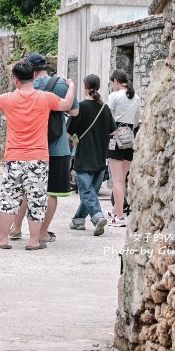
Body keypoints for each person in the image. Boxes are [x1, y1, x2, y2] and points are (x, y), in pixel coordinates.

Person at [0, 62, 75, 250]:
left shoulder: (8, 99)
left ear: (16, 80)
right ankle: (34, 241)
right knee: (37, 199)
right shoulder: (46, 98)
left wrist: (11, 94)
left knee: (9, 198)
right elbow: (67, 104)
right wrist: (72, 86)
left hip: (14, 156)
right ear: (34, 77)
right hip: (38, 157)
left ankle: (3, 239)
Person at [10, 54, 79, 244]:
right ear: (45, 67)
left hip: (29, 146)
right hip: (56, 148)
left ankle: (15, 229)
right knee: (51, 192)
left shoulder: (24, 87)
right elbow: (74, 111)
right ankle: (41, 233)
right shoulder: (61, 85)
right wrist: (71, 87)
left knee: (25, 189)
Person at [66, 75, 117, 235]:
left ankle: (97, 216)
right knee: (91, 193)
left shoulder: (80, 108)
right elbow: (113, 131)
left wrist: (76, 138)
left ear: (85, 87)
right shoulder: (105, 108)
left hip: (84, 157)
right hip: (100, 157)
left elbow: (68, 133)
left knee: (87, 192)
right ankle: (78, 220)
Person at [106, 69, 142, 227]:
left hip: (115, 137)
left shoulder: (114, 96)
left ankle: (120, 216)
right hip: (130, 138)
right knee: (123, 178)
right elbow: (135, 123)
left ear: (115, 81)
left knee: (117, 180)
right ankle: (116, 210)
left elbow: (107, 119)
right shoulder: (137, 97)